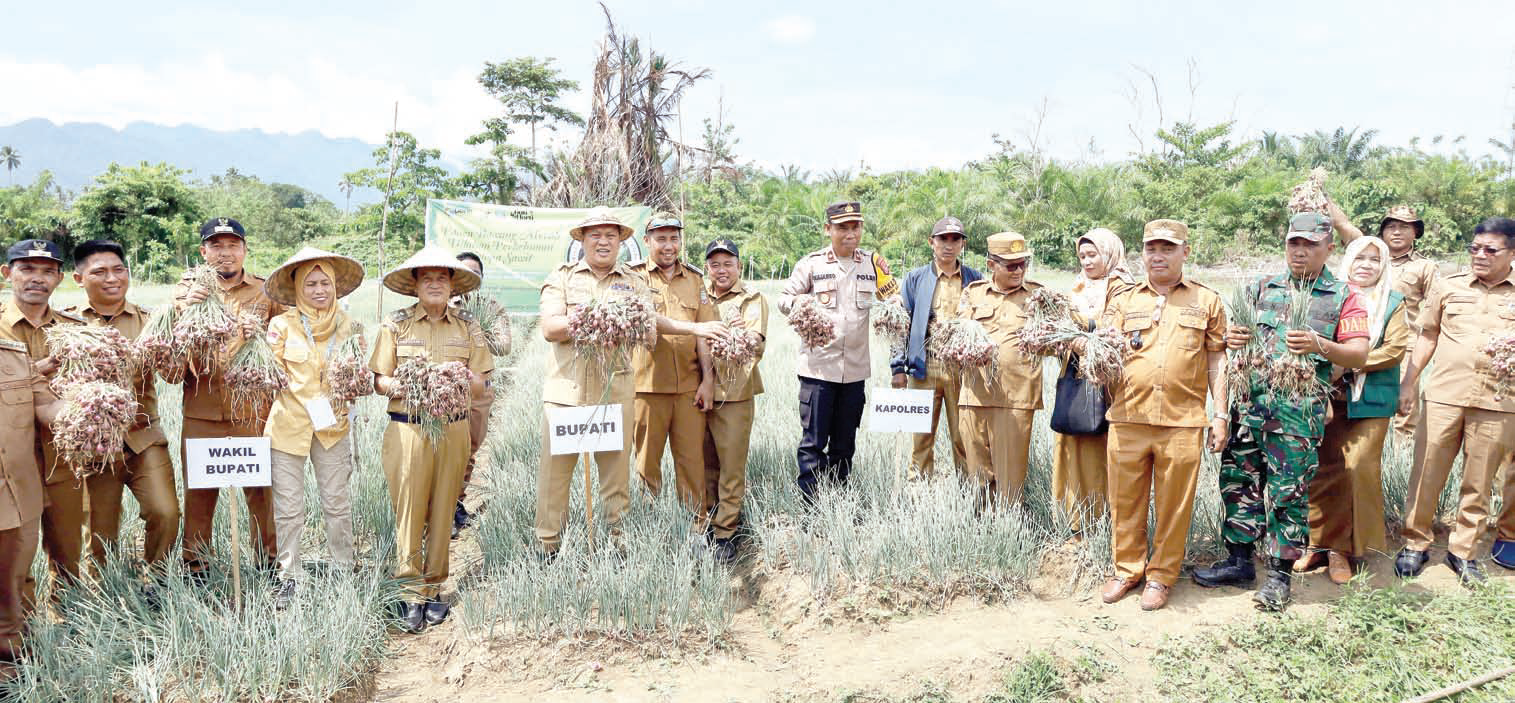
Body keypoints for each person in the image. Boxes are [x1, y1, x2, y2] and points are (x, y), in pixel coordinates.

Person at [1195, 212, 1369, 612]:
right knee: (1238, 484)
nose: (1300, 251)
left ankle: (1279, 575)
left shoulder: (1343, 295)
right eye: (1294, 243)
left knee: (1288, 494)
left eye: (1310, 244)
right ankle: (1239, 561)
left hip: (1296, 418)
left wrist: (1318, 345)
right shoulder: (1262, 288)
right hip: (1249, 410)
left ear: (1329, 247)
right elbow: (1234, 342)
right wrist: (1234, 338)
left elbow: (1359, 352)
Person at [535, 208, 726, 557]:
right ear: (582, 240)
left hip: (615, 391)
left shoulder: (633, 282)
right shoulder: (562, 278)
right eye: (596, 235)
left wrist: (694, 328)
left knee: (616, 478)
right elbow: (551, 328)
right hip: (568, 394)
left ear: (622, 242)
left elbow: (651, 321)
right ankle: (548, 548)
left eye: (611, 235)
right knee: (555, 479)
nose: (604, 241)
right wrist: (598, 316)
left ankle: (617, 546)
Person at [1098, 219, 1228, 611]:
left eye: (1168, 248)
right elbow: (1103, 352)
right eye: (1152, 248)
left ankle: (1161, 576)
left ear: (1185, 252)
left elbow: (1217, 358)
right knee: (1124, 501)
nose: (1158, 255)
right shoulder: (1122, 300)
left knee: (1174, 505)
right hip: (1128, 417)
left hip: (1182, 420)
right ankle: (1127, 569)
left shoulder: (1207, 301)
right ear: (1142, 253)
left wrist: (1220, 413)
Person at [370, 245, 492, 632]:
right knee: (409, 511)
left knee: (443, 509)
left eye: (443, 278)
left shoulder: (467, 326)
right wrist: (408, 383)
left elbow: (483, 384)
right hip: (408, 428)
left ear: (453, 285)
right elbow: (379, 380)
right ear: (416, 285)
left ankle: (434, 587)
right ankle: (408, 590)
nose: (436, 284)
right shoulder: (396, 324)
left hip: (453, 428)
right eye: (428, 278)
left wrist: (462, 378)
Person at [1394, 217, 1515, 586]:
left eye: (1490, 250)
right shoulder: (1449, 287)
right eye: (1474, 248)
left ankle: (1463, 551)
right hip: (1446, 395)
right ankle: (1415, 543)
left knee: (1477, 481)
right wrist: (1409, 382)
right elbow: (1427, 336)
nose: (1480, 255)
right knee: (1426, 471)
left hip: (1498, 400)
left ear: (1511, 253)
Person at [173, 217, 287, 582]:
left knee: (261, 491)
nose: (225, 253)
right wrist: (186, 308)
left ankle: (269, 565)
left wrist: (263, 340)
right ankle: (197, 570)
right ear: (203, 252)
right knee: (200, 494)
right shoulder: (185, 292)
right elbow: (171, 351)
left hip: (252, 410)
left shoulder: (266, 292)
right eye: (217, 246)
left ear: (244, 250)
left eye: (233, 245)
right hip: (202, 412)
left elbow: (286, 343)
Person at [65, 240, 180, 582]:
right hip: (93, 447)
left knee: (165, 511)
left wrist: (177, 336)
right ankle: (102, 592)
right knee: (99, 530)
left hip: (143, 437)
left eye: (119, 270)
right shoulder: (67, 325)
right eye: (99, 272)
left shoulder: (150, 321)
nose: (111, 278)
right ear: (78, 278)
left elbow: (173, 375)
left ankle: (157, 580)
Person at [1299, 236, 1408, 584]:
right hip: (1327, 396)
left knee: (1356, 468)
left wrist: (1351, 363)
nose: (1366, 265)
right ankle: (1318, 543)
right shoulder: (1330, 296)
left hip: (1370, 400)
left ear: (1384, 265)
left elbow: (1394, 350)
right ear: (1347, 260)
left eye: (1375, 260)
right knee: (1324, 468)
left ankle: (1344, 550)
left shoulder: (1393, 302)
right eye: (1360, 258)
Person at [263, 247, 366, 610]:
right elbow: (267, 375)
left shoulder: (351, 325)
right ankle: (289, 576)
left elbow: (360, 376)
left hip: (332, 427)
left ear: (336, 286)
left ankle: (344, 568)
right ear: (296, 288)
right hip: (288, 426)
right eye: (311, 283)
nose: (319, 290)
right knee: (289, 508)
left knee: (337, 503)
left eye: (325, 283)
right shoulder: (281, 326)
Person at [778, 201, 897, 504]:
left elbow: (892, 297)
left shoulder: (873, 264)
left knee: (845, 445)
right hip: (818, 370)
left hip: (855, 371)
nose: (850, 234)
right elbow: (784, 298)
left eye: (855, 227)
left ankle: (838, 501)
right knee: (813, 444)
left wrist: (894, 301)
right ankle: (810, 506)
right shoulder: (812, 264)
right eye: (842, 227)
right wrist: (800, 305)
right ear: (827, 229)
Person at [0, 239, 86, 595]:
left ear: (60, 278)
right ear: (7, 274)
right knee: (16, 553)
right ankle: (21, 633)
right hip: (10, 461)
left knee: (67, 549)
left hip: (61, 455)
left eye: (47, 271)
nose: (37, 279)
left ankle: (68, 621)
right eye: (27, 269)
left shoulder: (75, 329)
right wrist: (35, 371)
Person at [628, 213, 720, 514]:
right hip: (647, 387)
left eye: (674, 238)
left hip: (688, 390)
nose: (668, 245)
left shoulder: (694, 280)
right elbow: (645, 321)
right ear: (647, 241)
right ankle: (650, 530)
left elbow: (705, 334)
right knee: (646, 465)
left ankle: (696, 530)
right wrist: (692, 329)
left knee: (692, 463)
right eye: (661, 238)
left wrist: (708, 380)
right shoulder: (633, 278)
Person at [1328, 201, 1438, 436]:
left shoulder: (1424, 267)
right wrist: (1321, 193)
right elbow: (1342, 223)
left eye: (1405, 227)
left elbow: (1434, 313)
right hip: (1352, 338)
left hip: (1400, 344)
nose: (1397, 232)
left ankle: (1397, 460)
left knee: (1402, 413)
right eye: (1392, 227)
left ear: (1416, 232)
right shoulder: (1368, 252)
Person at [1055, 227, 1135, 526]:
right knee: (1073, 441)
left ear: (1110, 254)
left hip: (1107, 382)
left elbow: (1117, 332)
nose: (1087, 262)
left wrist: (1086, 342)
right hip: (1075, 379)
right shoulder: (1077, 287)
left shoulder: (1123, 288)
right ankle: (1075, 520)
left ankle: (1103, 520)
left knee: (1100, 449)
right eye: (1082, 256)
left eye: (1093, 255)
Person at [956, 232, 1044, 503]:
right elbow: (957, 334)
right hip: (975, 396)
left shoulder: (1038, 296)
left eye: (1023, 264)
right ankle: (983, 532)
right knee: (978, 475)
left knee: (1010, 479)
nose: (1018, 270)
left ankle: (1008, 532)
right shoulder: (973, 294)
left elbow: (1063, 332)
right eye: (1011, 265)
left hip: (1015, 398)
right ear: (991, 264)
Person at [890, 216, 980, 476]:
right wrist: (898, 367)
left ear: (963, 244)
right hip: (924, 367)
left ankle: (968, 491)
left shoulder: (974, 279)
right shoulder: (916, 278)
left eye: (955, 240)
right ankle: (919, 489)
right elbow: (900, 325)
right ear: (932, 242)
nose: (948, 245)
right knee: (921, 437)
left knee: (964, 436)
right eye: (943, 239)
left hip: (962, 369)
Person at [702, 238, 768, 563]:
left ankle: (726, 532)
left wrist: (740, 333)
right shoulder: (699, 296)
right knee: (703, 466)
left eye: (728, 263)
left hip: (734, 393)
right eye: (715, 264)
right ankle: (706, 523)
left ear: (738, 266)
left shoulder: (750, 299)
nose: (722, 270)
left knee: (730, 467)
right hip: (698, 391)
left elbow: (755, 343)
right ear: (707, 268)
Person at [0, 337, 60, 669]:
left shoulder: (15, 356)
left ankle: (9, 665)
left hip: (18, 496)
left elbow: (48, 407)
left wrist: (87, 408)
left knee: (10, 589)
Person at [451, 251, 510, 539]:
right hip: (447, 392)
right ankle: (439, 508)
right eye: (463, 272)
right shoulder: (443, 306)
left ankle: (456, 503)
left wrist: (480, 332)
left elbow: (504, 346)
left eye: (475, 274)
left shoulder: (491, 308)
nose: (469, 278)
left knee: (470, 450)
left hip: (479, 391)